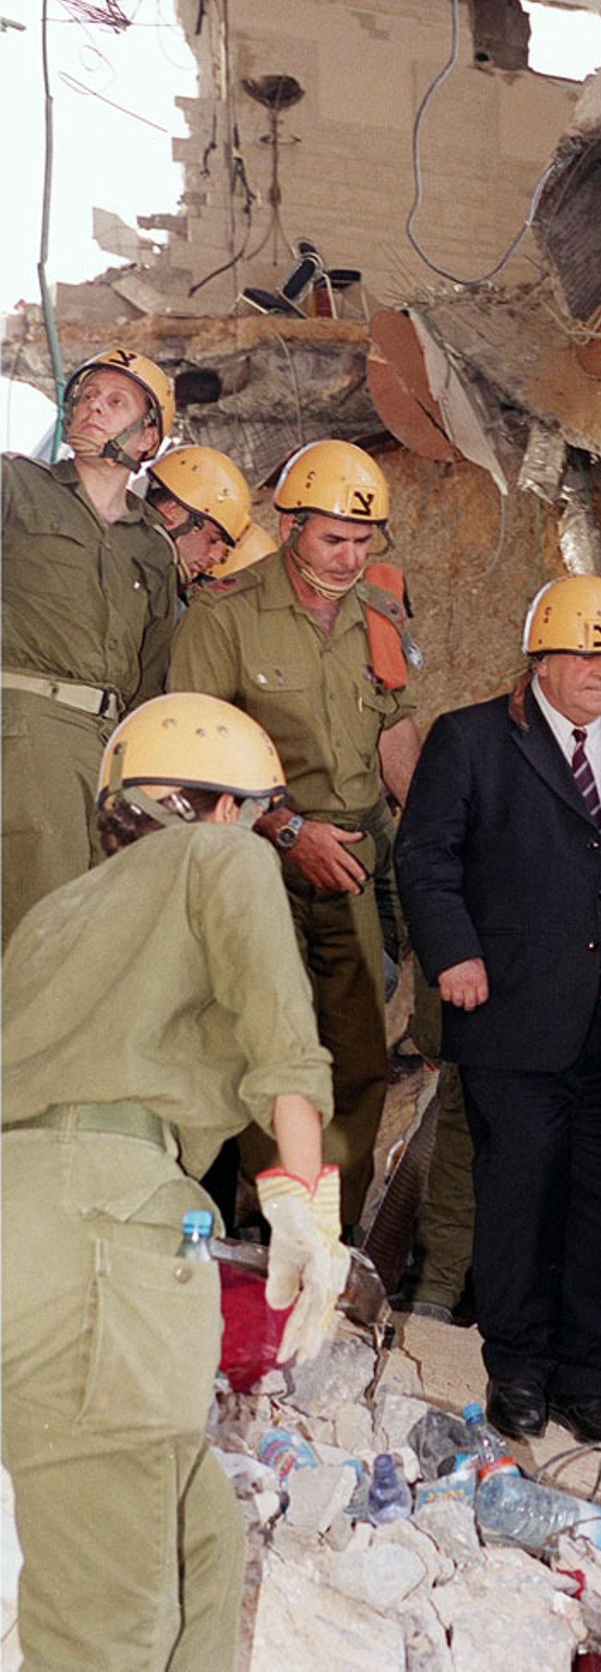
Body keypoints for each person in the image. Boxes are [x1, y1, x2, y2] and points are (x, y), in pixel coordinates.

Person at [2, 692, 341, 1672]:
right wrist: (301, 1199)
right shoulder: (220, 857)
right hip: (103, 1235)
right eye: (262, 817)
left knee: (198, 1538)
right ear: (221, 808)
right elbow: (286, 1043)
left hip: (26, 1222)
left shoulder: (53, 918)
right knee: (108, 1633)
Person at [395, 575, 601, 1454]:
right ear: (544, 658)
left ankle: (588, 1378)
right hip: (513, 1019)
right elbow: (426, 856)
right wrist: (454, 952)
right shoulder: (472, 740)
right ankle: (517, 1369)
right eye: (593, 658)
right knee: (518, 1198)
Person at [170, 439, 422, 1231]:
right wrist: (287, 830)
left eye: (363, 541)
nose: (350, 558)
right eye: (332, 539)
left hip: (353, 870)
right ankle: (266, 1224)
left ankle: (328, 1242)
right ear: (289, 526)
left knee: (356, 1064)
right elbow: (195, 757)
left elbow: (396, 741)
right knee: (262, 1055)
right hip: (256, 864)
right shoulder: (226, 613)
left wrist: (433, 842)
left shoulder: (379, 616)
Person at [2, 346, 178, 944]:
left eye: (115, 400)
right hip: (27, 734)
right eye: (86, 397)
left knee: (98, 939)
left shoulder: (153, 546)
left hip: (112, 756)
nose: (92, 408)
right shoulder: (16, 486)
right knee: (33, 930)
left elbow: (151, 679)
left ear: (149, 436)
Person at [145, 444, 253, 594]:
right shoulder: (123, 575)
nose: (216, 558)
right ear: (172, 513)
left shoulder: (156, 588)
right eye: (212, 539)